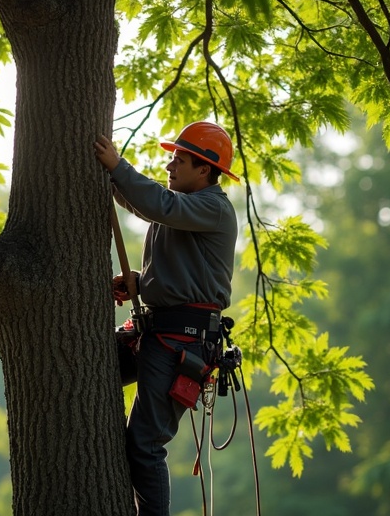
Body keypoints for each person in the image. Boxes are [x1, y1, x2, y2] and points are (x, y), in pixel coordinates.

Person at [93, 121, 239, 516]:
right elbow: (149, 207)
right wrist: (141, 283)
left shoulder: (212, 208)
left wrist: (118, 168)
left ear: (204, 169)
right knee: (84, 363)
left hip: (181, 340)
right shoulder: (182, 209)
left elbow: (158, 204)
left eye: (179, 160)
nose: (170, 166)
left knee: (145, 444)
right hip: (159, 330)